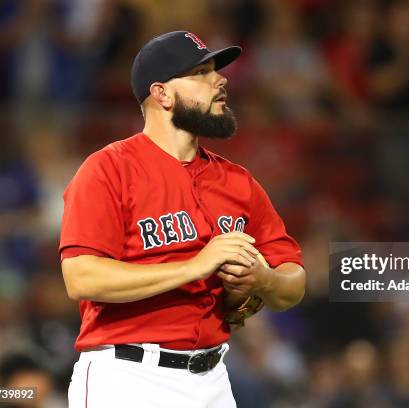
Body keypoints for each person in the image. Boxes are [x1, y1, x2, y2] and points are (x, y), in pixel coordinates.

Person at [58, 31, 306, 408]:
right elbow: (82, 277)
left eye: (216, 71)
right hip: (127, 377)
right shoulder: (108, 169)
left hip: (213, 377)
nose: (220, 80)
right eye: (201, 72)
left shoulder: (238, 182)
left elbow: (294, 281)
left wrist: (264, 278)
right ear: (162, 94)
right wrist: (195, 265)